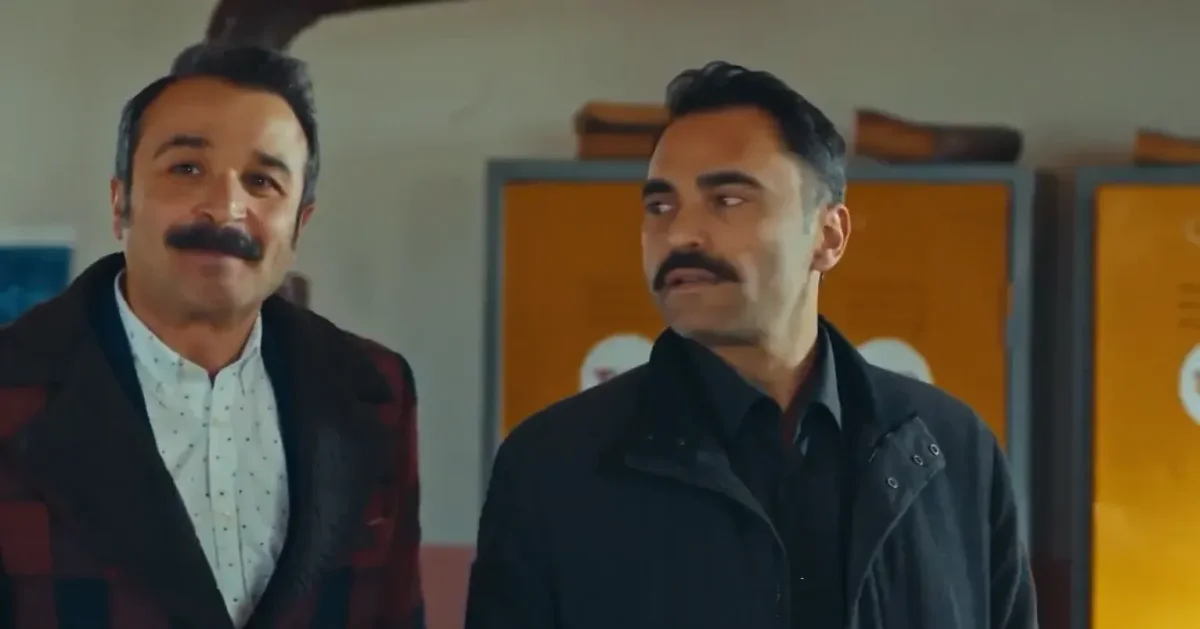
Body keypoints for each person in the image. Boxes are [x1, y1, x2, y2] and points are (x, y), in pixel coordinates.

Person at [465, 61, 1036, 629]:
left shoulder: (951, 452)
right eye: (660, 206)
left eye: (728, 200)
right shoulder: (553, 468)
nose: (680, 233)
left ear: (829, 235)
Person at [0, 44, 423, 629]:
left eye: (262, 180)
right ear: (121, 201)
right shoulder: (14, 385)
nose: (225, 209)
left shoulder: (375, 391)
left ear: (299, 224)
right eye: (187, 169)